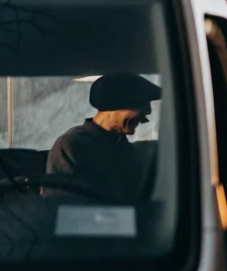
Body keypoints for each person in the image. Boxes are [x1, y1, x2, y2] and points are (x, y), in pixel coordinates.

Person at [46, 73, 161, 201]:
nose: (148, 112)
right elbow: (63, 204)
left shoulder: (122, 145)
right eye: (142, 104)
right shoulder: (72, 145)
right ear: (116, 104)